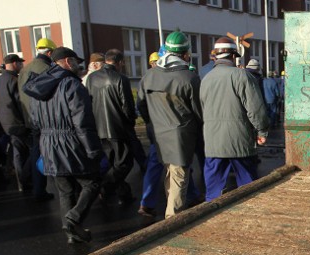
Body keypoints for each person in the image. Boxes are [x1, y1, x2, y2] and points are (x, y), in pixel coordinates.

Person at [23, 47, 102, 244]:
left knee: (65, 189)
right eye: (76, 61)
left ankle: (71, 234)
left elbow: (34, 121)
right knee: (91, 183)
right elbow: (82, 121)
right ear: (67, 62)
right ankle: (73, 219)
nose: (79, 65)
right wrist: (93, 149)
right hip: (71, 143)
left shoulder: (38, 87)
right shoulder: (72, 85)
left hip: (48, 142)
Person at [137, 31, 202, 218]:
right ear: (185, 53)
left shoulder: (149, 76)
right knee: (179, 178)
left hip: (157, 134)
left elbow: (141, 105)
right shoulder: (189, 78)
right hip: (181, 136)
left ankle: (170, 213)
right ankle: (172, 222)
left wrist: (152, 122)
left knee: (168, 175)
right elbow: (199, 111)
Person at [200, 37, 268, 202]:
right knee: (249, 189)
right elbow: (255, 109)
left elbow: (203, 109)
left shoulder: (205, 79)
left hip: (213, 143)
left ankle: (211, 219)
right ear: (233, 56)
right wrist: (261, 131)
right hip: (240, 142)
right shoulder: (242, 76)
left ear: (215, 56)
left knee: (213, 192)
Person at [86, 48, 136, 205]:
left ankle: (123, 193)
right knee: (124, 163)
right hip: (117, 127)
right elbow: (127, 106)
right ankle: (106, 187)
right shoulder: (120, 78)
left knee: (111, 162)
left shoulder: (91, 78)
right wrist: (130, 122)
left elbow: (88, 101)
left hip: (98, 127)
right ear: (120, 62)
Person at [18, 37, 56, 201]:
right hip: (43, 120)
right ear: (49, 52)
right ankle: (39, 189)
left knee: (35, 152)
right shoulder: (46, 69)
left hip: (30, 118)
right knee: (41, 153)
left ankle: (29, 182)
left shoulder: (26, 69)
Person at [0, 54, 32, 193]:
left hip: (4, 123)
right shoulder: (14, 80)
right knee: (23, 153)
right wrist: (27, 121)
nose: (22, 65)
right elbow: (21, 104)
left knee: (15, 152)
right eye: (20, 63)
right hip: (17, 123)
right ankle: (24, 180)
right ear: (15, 64)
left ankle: (18, 177)